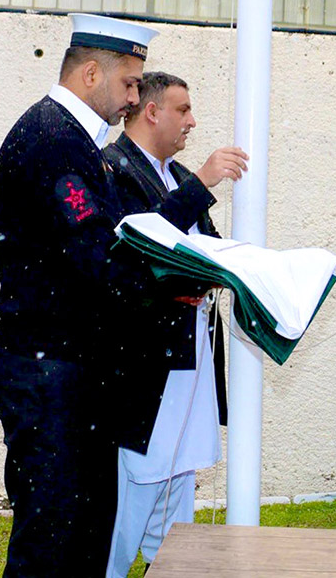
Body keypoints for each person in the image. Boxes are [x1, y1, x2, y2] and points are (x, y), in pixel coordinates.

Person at [0, 13, 159, 577]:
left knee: (85, 534)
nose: (134, 99)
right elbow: (98, 254)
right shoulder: (52, 140)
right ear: (91, 73)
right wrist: (166, 273)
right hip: (49, 371)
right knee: (53, 538)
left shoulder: (73, 139)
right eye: (130, 83)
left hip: (70, 368)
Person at [102, 71, 248, 577]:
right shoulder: (113, 169)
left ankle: (169, 568)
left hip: (190, 356)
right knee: (133, 495)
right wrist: (204, 183)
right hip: (142, 368)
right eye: (183, 110)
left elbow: (203, 250)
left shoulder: (181, 175)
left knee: (178, 485)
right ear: (150, 111)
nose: (191, 121)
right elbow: (138, 249)